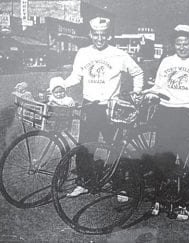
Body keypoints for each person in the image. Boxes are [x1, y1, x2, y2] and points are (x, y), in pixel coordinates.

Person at [56, 17, 144, 197]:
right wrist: (61, 86)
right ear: (90, 34)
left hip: (112, 108)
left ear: (109, 36)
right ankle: (84, 183)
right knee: (85, 147)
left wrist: (137, 92)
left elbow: (138, 72)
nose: (99, 39)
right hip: (89, 106)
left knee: (116, 146)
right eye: (96, 35)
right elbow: (75, 76)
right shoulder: (82, 53)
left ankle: (120, 185)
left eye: (103, 35)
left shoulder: (119, 54)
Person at [142, 24, 189, 215]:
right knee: (162, 157)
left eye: (186, 43)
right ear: (174, 44)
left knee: (187, 159)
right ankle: (159, 199)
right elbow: (159, 86)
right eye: (178, 43)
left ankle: (184, 202)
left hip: (188, 113)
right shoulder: (166, 62)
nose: (182, 47)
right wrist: (149, 93)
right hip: (166, 112)